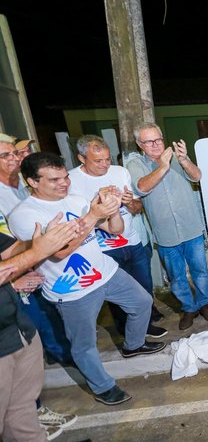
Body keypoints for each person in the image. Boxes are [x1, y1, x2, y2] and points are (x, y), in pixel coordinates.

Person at [8, 152, 166, 406]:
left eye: (64, 177)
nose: (63, 183)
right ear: (32, 182)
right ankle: (103, 387)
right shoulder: (24, 215)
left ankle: (133, 345)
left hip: (106, 271)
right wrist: (92, 215)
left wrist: (113, 208)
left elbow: (115, 229)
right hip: (71, 290)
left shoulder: (75, 199)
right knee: (84, 344)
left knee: (142, 302)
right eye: (54, 180)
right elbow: (59, 252)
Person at [68, 135, 167, 339]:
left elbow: (137, 208)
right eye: (98, 161)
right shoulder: (71, 182)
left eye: (107, 159)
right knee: (117, 295)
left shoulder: (120, 172)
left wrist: (130, 202)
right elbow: (75, 220)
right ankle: (125, 331)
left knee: (143, 288)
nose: (105, 165)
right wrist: (102, 207)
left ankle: (145, 326)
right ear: (81, 158)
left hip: (132, 241)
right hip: (103, 248)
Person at [0, 203, 81, 442]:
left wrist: (47, 240)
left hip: (18, 329)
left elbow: (11, 250)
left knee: (22, 413)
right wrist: (36, 253)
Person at [126, 123, 208, 330]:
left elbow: (197, 176)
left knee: (200, 271)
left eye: (158, 139)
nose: (156, 144)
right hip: (165, 233)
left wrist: (184, 160)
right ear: (140, 144)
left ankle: (204, 303)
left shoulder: (176, 157)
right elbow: (141, 187)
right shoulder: (136, 164)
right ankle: (188, 307)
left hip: (191, 227)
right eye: (149, 141)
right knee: (176, 276)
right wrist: (163, 166)